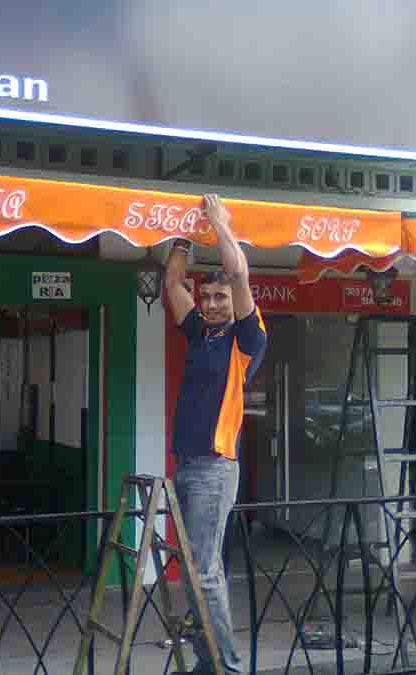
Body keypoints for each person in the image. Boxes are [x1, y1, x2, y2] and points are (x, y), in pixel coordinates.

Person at [165, 194, 267, 674]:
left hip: (214, 465)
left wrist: (219, 223)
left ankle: (225, 666)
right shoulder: (200, 332)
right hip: (186, 464)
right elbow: (171, 283)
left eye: (219, 298)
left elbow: (239, 274)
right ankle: (209, 660)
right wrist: (184, 236)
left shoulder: (246, 340)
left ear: (235, 303)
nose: (210, 303)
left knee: (204, 572)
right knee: (194, 570)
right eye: (206, 297)